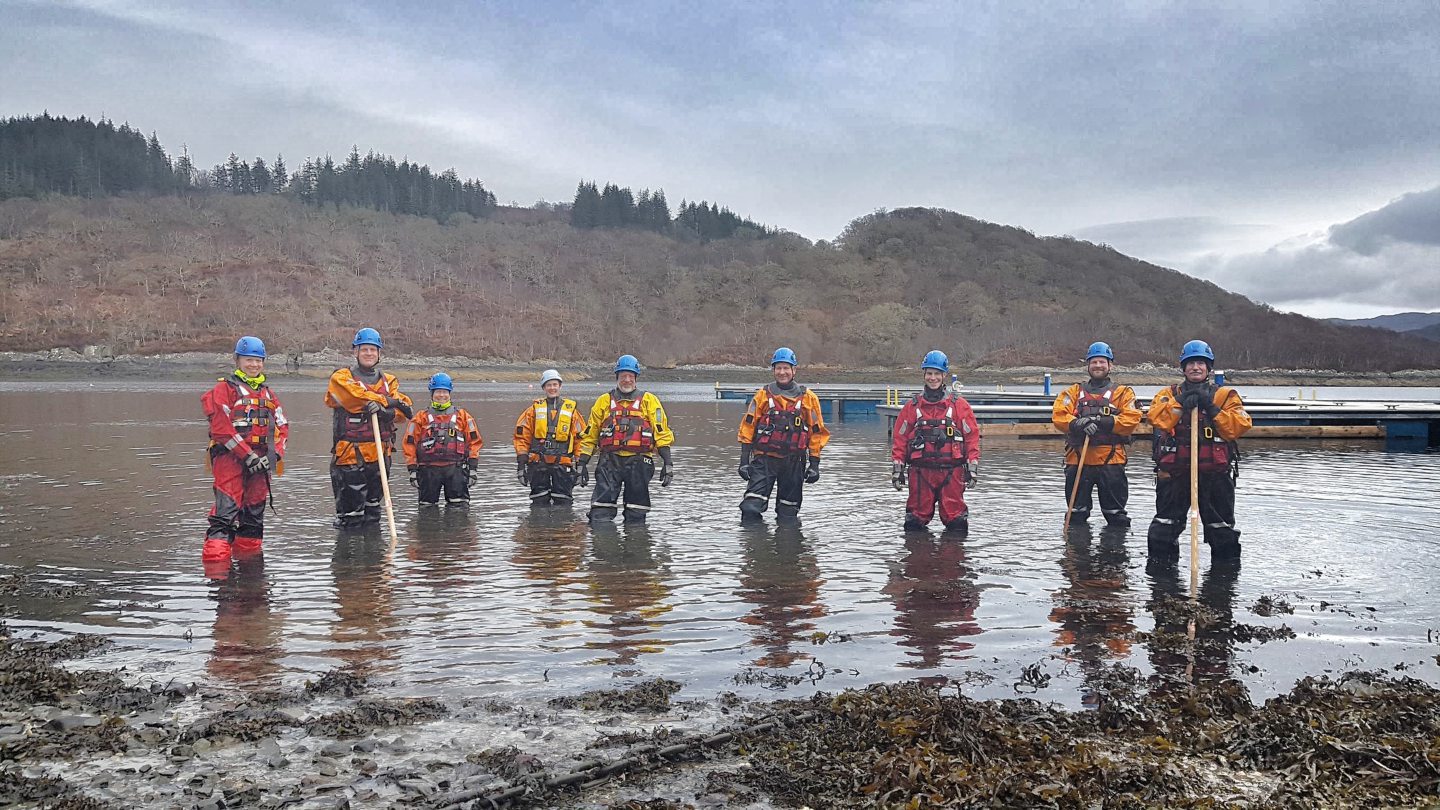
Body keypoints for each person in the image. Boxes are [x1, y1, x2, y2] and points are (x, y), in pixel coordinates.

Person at [1146, 340, 1252, 558]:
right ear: (1183, 368)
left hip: (1215, 476)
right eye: (1191, 363)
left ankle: (1222, 586)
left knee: (1221, 530)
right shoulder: (1168, 394)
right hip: (1174, 474)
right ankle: (1163, 584)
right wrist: (1180, 402)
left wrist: (1212, 409)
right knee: (1163, 530)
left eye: (1201, 363)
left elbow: (1238, 427)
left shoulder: (1225, 396)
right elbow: (1157, 420)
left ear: (1209, 367)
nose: (1196, 367)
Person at [200, 336, 289, 574]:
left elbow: (282, 427)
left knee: (253, 516)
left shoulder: (268, 394)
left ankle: (250, 569)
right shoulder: (223, 390)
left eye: (258, 361)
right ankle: (217, 571)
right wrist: (247, 455)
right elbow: (221, 428)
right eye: (249, 360)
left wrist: (274, 456)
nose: (254, 365)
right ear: (237, 360)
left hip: (262, 463)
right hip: (230, 460)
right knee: (225, 511)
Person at [324, 328, 413, 528]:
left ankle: (374, 557)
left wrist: (386, 411)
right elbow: (355, 397)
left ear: (379, 353)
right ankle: (350, 556)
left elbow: (403, 410)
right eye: (364, 349)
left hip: (380, 453)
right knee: (351, 516)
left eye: (373, 349)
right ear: (355, 352)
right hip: (350, 455)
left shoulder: (389, 381)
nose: (369, 353)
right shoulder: (341, 378)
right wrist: (387, 401)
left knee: (373, 512)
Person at [1050, 341, 1143, 528]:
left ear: (1110, 365)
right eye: (1094, 362)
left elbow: (1132, 419)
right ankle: (1077, 555)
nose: (1098, 366)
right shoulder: (1073, 392)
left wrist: (1105, 422)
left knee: (1116, 516)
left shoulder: (1123, 393)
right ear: (1088, 365)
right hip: (1078, 459)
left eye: (1102, 362)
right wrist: (1077, 423)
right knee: (1076, 515)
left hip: (1111, 460)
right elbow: (1059, 415)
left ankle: (1115, 554)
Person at [577, 354, 675, 523]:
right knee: (601, 513)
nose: (627, 380)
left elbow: (662, 433)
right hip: (609, 462)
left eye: (630, 376)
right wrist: (582, 464)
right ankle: (603, 545)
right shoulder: (603, 401)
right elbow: (590, 435)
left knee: (636, 514)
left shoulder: (650, 401)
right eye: (623, 376)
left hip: (639, 463)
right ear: (617, 377)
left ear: (636, 378)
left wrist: (668, 463)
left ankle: (635, 545)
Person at [737, 347, 830, 522]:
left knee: (788, 514)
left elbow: (816, 432)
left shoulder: (808, 398)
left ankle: (788, 546)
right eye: (778, 368)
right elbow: (748, 427)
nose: (782, 372)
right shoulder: (763, 395)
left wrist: (815, 464)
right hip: (764, 460)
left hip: (794, 463)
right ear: (773, 370)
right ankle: (755, 546)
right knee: (750, 508)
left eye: (786, 368)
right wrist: (743, 461)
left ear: (794, 370)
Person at [890, 351, 980, 532]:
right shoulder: (912, 407)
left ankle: (953, 559)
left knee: (957, 524)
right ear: (924, 374)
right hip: (920, 474)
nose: (933, 378)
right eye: (929, 373)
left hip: (952, 474)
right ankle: (918, 558)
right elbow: (899, 440)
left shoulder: (959, 406)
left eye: (937, 374)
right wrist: (897, 469)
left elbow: (971, 438)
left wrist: (972, 467)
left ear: (944, 375)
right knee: (914, 524)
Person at [403, 372, 483, 506]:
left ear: (450, 393)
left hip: (456, 470)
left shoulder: (463, 416)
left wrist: (473, 469)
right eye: (438, 391)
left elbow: (474, 443)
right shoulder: (420, 418)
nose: (442, 395)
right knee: (427, 510)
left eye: (445, 391)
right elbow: (409, 444)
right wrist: (412, 470)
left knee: (459, 510)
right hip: (428, 471)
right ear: (432, 393)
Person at [513, 369, 587, 506]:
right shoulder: (532, 411)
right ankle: (540, 527)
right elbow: (522, 438)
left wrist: (581, 465)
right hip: (538, 463)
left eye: (555, 384)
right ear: (543, 388)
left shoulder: (572, 412)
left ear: (560, 386)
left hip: (563, 464)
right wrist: (521, 465)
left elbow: (580, 439)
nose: (552, 388)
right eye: (549, 385)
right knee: (539, 503)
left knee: (564, 504)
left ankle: (561, 527)